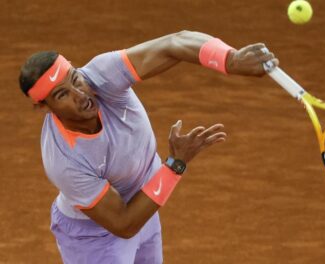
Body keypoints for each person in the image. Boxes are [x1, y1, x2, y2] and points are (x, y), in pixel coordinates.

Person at [18, 30, 278, 264]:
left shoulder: (100, 75)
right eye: (62, 95)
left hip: (145, 206)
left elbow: (174, 43)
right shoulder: (63, 160)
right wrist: (176, 164)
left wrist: (230, 60)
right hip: (95, 237)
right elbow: (124, 223)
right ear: (45, 107)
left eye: (75, 79)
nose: (80, 94)